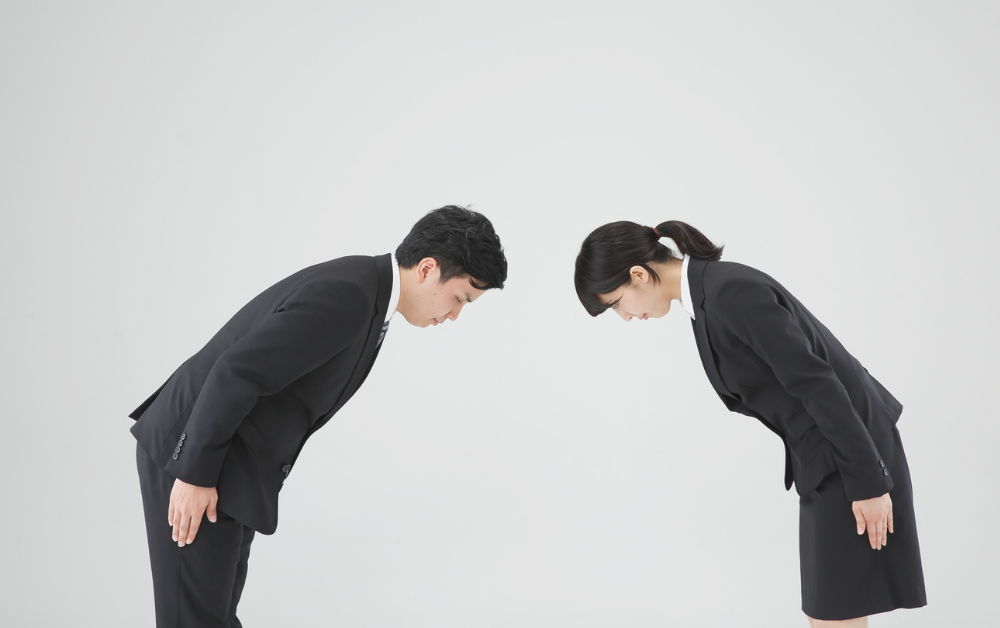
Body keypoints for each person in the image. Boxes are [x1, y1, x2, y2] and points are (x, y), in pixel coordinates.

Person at [130, 205, 507, 628]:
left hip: (229, 467)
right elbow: (237, 372)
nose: (454, 315)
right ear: (426, 268)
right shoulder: (350, 295)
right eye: (459, 298)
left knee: (213, 618)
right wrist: (195, 474)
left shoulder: (369, 295)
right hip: (196, 459)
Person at [574, 220, 926, 627]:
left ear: (638, 275)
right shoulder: (706, 297)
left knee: (835, 616)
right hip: (826, 458)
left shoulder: (728, 293)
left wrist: (868, 481)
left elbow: (817, 382)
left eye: (616, 303)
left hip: (851, 454)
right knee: (828, 614)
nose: (625, 317)